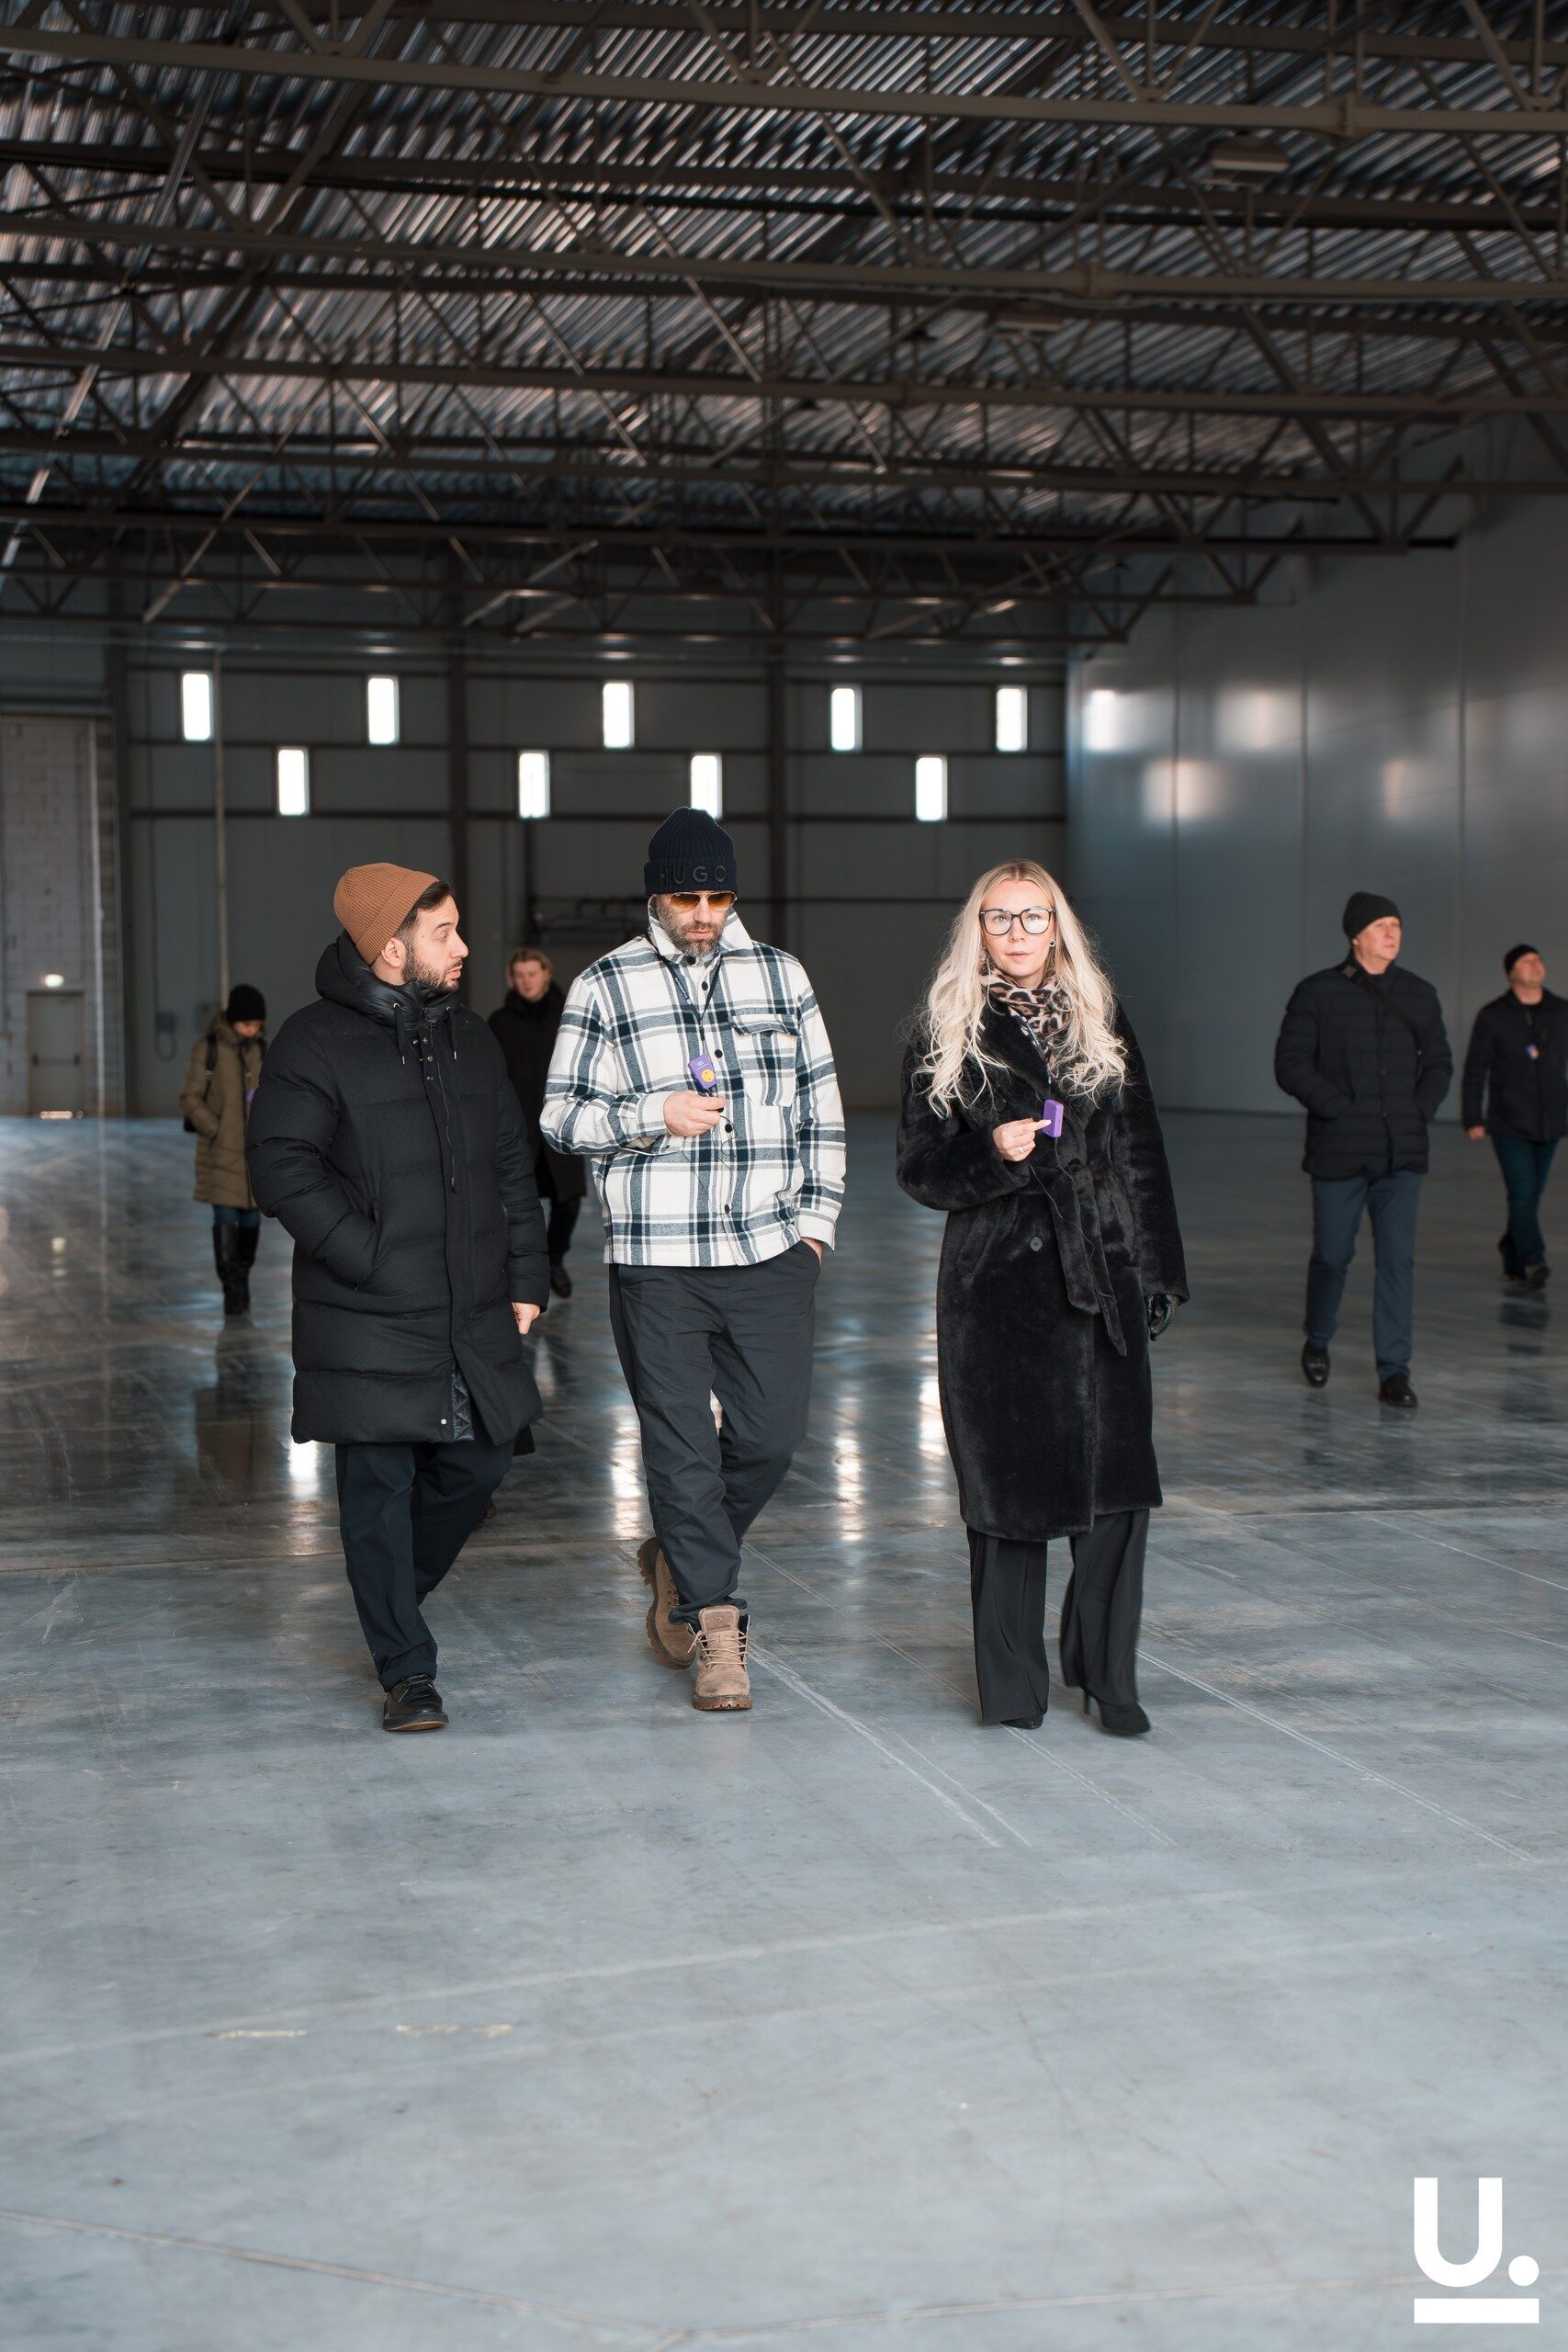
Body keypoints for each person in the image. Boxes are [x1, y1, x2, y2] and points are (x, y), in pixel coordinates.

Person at [541, 809, 844, 1714]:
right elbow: (560, 1117)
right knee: (678, 1449)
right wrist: (652, 1114)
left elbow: (821, 1108)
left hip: (769, 1250)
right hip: (658, 1258)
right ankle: (716, 1629)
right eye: (686, 898)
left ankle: (678, 1549)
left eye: (718, 897)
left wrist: (814, 1228)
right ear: (655, 897)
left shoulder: (782, 976)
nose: (704, 914)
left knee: (771, 1437)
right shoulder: (605, 986)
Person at [248, 864, 549, 1732]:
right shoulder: (313, 1041)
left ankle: (386, 1597)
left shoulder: (470, 1039)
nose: (463, 948)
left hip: (471, 1301)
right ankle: (406, 1668)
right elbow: (281, 1166)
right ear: (390, 947)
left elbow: (510, 1166)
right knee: (377, 1484)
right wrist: (364, 1252)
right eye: (443, 933)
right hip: (368, 1308)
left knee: (479, 1461)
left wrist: (525, 1275)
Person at [897, 860, 1186, 1736]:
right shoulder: (945, 1029)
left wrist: (1156, 1272)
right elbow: (919, 1169)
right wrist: (992, 1154)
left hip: (1101, 1277)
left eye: (1033, 917)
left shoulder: (1099, 1017)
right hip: (998, 1289)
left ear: (1056, 925)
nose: (1017, 933)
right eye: (999, 918)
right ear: (977, 929)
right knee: (1009, 1495)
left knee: (1118, 1489)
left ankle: (1109, 1678)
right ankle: (1013, 1688)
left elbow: (1138, 1151)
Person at [1274, 892, 1452, 1408]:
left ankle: (1395, 1371)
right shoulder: (1317, 992)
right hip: (1339, 1151)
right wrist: (1338, 1109)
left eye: (1396, 924)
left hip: (1402, 1154)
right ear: (1355, 936)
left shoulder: (1419, 994)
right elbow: (1290, 1063)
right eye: (1380, 925)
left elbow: (1439, 1062)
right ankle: (1318, 1338)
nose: (1392, 933)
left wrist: (1419, 1111)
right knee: (1333, 1256)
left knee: (1397, 1261)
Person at [1462, 944, 1568, 1291]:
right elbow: (1476, 1068)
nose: (1536, 966)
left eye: (1539, 960)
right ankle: (1534, 1259)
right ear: (1511, 973)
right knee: (1522, 1194)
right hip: (1510, 1121)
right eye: (1526, 961)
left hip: (1551, 1119)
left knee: (1530, 1197)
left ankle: (1511, 1251)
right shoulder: (1494, 1016)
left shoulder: (1560, 1011)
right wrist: (1472, 1115)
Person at [490, 946, 588, 1299]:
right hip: (519, 1130)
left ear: (546, 974)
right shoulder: (500, 1023)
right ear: (511, 980)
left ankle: (554, 1259)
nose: (526, 981)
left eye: (532, 974)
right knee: (519, 1203)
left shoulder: (569, 1017)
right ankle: (527, 1271)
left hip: (561, 1123)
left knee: (569, 1201)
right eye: (520, 975)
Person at [180, 983, 267, 1317]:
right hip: (221, 1151)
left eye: (257, 1025)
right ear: (233, 1020)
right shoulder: (209, 1049)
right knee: (226, 1217)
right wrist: (214, 1128)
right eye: (247, 1024)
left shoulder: (262, 1049)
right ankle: (231, 1286)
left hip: (253, 1154)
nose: (252, 1030)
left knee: (251, 1219)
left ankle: (242, 1277)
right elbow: (190, 1097)